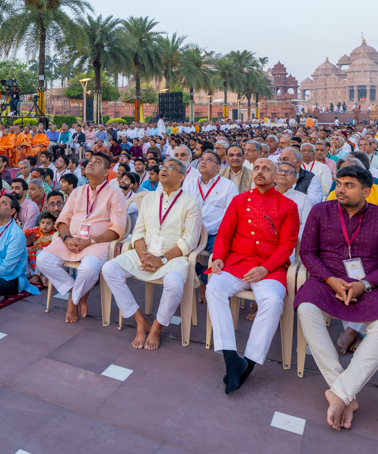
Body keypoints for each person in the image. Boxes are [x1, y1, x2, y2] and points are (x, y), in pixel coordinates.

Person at [296, 165, 378, 430]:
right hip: (327, 279)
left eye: (349, 185)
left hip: (369, 284)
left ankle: (340, 394)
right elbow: (307, 252)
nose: (340, 190)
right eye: (339, 184)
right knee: (306, 309)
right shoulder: (320, 211)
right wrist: (330, 279)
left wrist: (364, 285)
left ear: (366, 191)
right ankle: (344, 393)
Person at [207, 158, 300, 393]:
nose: (260, 172)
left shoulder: (288, 206)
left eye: (266, 169)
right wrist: (218, 256)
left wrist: (266, 268)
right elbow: (224, 233)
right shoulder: (239, 200)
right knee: (214, 287)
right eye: (257, 168)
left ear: (276, 175)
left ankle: (247, 363)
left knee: (272, 301)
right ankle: (230, 356)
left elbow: (287, 244)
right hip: (237, 262)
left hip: (271, 268)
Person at [101, 158, 202, 351]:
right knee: (109, 269)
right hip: (145, 253)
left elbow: (189, 241)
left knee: (174, 282)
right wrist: (142, 254)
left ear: (182, 177)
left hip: (173, 257)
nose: (164, 169)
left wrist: (161, 259)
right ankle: (140, 321)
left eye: (170, 168)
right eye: (163, 166)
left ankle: (157, 326)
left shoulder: (191, 202)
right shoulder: (149, 198)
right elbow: (138, 232)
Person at [35, 151, 128, 323]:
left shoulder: (115, 194)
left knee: (87, 270)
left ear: (106, 172)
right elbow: (63, 220)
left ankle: (73, 300)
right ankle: (77, 292)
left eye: (97, 161)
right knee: (42, 260)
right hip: (71, 241)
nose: (91, 163)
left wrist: (91, 241)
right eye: (90, 160)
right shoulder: (77, 192)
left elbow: (117, 229)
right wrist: (66, 239)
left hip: (97, 243)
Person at [190, 150, 238, 298]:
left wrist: (206, 229)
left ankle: (209, 283)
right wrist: (196, 229)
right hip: (192, 231)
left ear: (218, 167)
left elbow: (230, 215)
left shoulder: (228, 186)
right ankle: (202, 274)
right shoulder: (190, 184)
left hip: (216, 232)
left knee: (220, 257)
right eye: (202, 159)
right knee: (177, 250)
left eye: (208, 160)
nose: (203, 162)